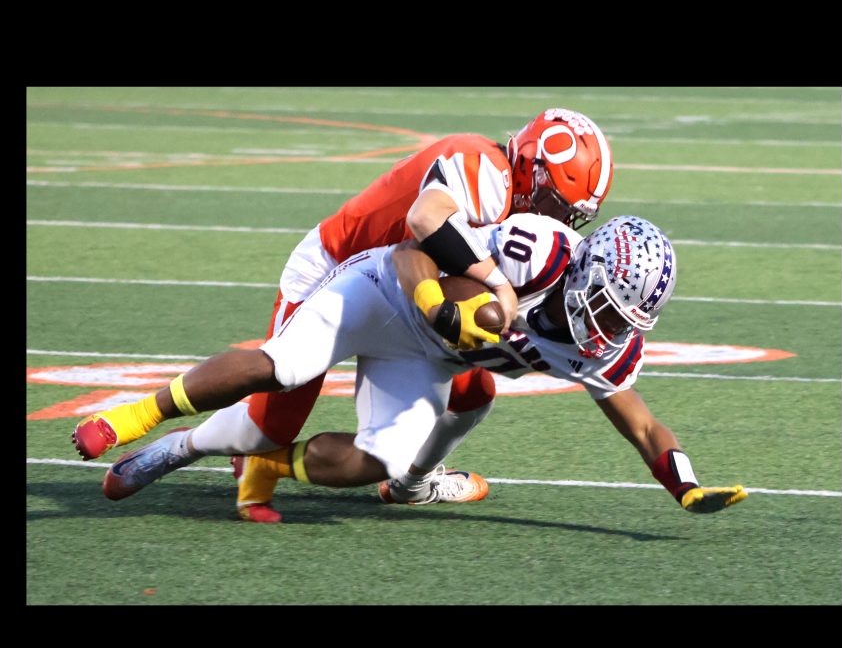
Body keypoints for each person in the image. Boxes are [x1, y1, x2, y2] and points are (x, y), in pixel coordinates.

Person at [72, 108, 614, 522]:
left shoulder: (519, 214)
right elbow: (423, 226)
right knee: (267, 422)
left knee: (474, 394)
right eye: (556, 201)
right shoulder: (484, 169)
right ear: (531, 165)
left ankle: (412, 483)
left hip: (403, 299)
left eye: (571, 214)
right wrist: (493, 287)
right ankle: (166, 442)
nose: (559, 218)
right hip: (339, 271)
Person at [93, 214, 748, 517]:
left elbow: (644, 427)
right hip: (383, 294)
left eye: (622, 321)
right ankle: (142, 419)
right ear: (584, 273)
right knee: (284, 367)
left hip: (425, 355)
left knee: (382, 460)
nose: (607, 330)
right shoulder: (536, 252)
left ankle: (233, 458)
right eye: (604, 307)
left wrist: (685, 485)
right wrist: (436, 305)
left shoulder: (602, 345)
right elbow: (413, 248)